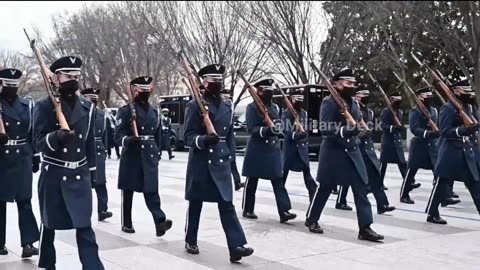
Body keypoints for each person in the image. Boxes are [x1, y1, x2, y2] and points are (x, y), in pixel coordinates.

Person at [32, 56, 104, 269]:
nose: (73, 80)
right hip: (54, 174)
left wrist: (92, 175)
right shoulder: (45, 106)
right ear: (56, 78)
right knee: (49, 224)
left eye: (76, 76)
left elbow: (90, 144)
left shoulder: (88, 108)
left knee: (84, 226)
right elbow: (37, 142)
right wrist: (56, 137)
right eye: (68, 76)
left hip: (79, 174)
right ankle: (47, 263)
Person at [183, 64, 253, 262]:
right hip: (201, 161)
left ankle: (236, 246)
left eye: (219, 80)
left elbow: (229, 138)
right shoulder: (194, 104)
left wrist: (234, 170)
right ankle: (191, 239)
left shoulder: (227, 106)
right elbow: (188, 137)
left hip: (220, 160)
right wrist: (203, 140)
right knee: (196, 202)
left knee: (227, 205)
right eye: (213, 81)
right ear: (204, 83)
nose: (217, 84)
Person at [305, 69, 384, 242]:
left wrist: (359, 132)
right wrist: (345, 130)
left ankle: (365, 228)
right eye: (348, 83)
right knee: (325, 187)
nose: (351, 86)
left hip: (353, 151)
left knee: (361, 189)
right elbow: (325, 129)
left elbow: (357, 126)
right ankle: (312, 218)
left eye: (352, 83)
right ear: (336, 84)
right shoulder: (329, 102)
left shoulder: (353, 103)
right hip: (334, 152)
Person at [114, 75, 172, 236]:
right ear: (134, 90)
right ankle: (126, 223)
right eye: (142, 89)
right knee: (128, 191)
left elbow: (158, 134)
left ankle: (160, 222)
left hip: (149, 154)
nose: (145, 92)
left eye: (148, 89)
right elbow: (117, 136)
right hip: (132, 154)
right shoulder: (125, 110)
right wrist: (129, 140)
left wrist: (158, 151)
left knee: (152, 190)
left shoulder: (155, 111)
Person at [242, 78, 296, 223]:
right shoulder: (251, 107)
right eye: (267, 90)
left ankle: (284, 211)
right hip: (257, 148)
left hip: (272, 148)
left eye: (271, 90)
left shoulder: (274, 107)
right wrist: (267, 130)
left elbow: (277, 122)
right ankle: (248, 209)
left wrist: (278, 128)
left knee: (278, 180)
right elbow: (251, 129)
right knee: (252, 179)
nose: (270, 93)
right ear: (259, 91)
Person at [427, 79, 480, 224]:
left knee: (476, 184)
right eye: (466, 91)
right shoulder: (448, 108)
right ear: (456, 92)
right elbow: (444, 131)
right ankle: (432, 213)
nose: (469, 94)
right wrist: (463, 130)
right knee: (441, 184)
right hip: (450, 153)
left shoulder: (468, 107)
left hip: (467, 152)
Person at [0, 68, 40, 258]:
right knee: (0, 201)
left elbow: (32, 133)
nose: (12, 89)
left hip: (22, 155)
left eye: (15, 85)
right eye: (8, 85)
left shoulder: (27, 105)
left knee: (25, 201)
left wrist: (35, 156)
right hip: (2, 157)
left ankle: (28, 243)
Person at [400, 87, 459, 206]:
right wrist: (427, 133)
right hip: (419, 145)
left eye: (430, 95)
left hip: (432, 145)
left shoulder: (434, 110)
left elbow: (437, 125)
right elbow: (414, 128)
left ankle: (444, 196)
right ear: (420, 97)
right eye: (426, 96)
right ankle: (404, 194)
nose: (429, 97)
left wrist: (436, 132)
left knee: (439, 172)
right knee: (411, 171)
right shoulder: (415, 111)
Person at [80, 87, 113, 221]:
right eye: (90, 97)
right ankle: (81, 211)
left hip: (98, 150)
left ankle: (103, 210)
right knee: (84, 183)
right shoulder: (81, 113)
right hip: (83, 150)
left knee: (101, 183)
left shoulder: (101, 114)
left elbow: (105, 134)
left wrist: (105, 150)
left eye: (95, 97)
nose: (93, 99)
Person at [281, 90, 317, 202]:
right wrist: (294, 134)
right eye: (297, 99)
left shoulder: (304, 113)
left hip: (301, 148)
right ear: (292, 99)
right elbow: (284, 130)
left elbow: (306, 128)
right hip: (290, 149)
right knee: (283, 177)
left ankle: (313, 196)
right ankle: (282, 203)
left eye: (301, 99)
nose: (300, 102)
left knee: (307, 175)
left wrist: (303, 133)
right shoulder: (286, 113)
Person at [379, 92, 410, 190]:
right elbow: (382, 125)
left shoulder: (400, 112)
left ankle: (407, 182)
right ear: (390, 100)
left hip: (397, 140)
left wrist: (399, 128)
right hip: (388, 140)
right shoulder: (386, 111)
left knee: (402, 163)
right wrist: (393, 128)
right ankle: (379, 182)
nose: (398, 101)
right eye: (395, 99)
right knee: (383, 163)